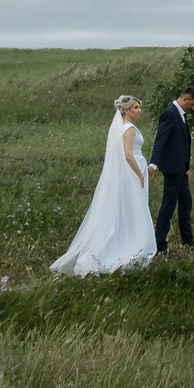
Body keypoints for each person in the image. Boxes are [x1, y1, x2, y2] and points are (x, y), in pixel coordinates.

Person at [49, 96, 158, 276]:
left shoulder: (120, 127)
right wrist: (140, 173)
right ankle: (130, 245)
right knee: (135, 208)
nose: (140, 110)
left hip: (128, 171)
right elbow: (128, 155)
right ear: (126, 110)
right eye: (136, 107)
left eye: (140, 107)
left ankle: (126, 241)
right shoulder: (129, 129)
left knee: (128, 208)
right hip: (132, 171)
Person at [152, 86, 194, 253]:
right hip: (172, 170)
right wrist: (153, 164)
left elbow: (183, 144)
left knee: (186, 203)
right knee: (168, 206)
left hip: (181, 170)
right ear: (185, 99)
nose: (193, 108)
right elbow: (161, 140)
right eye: (193, 104)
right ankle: (160, 246)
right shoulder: (170, 113)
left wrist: (186, 167)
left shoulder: (180, 115)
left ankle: (188, 242)